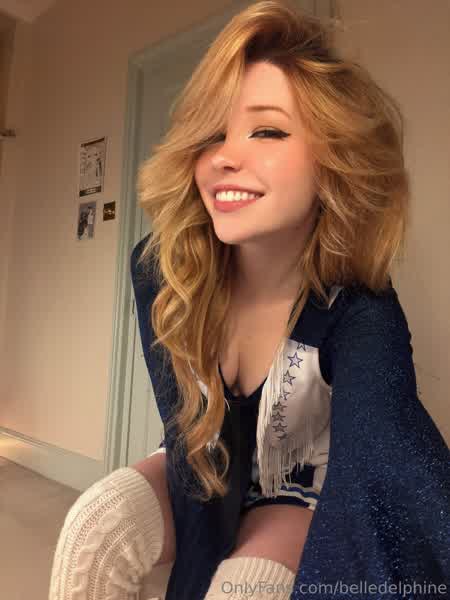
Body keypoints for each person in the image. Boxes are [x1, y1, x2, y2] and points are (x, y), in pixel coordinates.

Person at [49, 2, 449, 599]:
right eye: (212, 134)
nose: (223, 157)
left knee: (246, 587)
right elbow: (186, 437)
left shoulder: (361, 311)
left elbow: (390, 474)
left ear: (335, 159)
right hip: (204, 464)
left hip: (303, 492)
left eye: (266, 131)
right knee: (94, 530)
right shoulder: (163, 273)